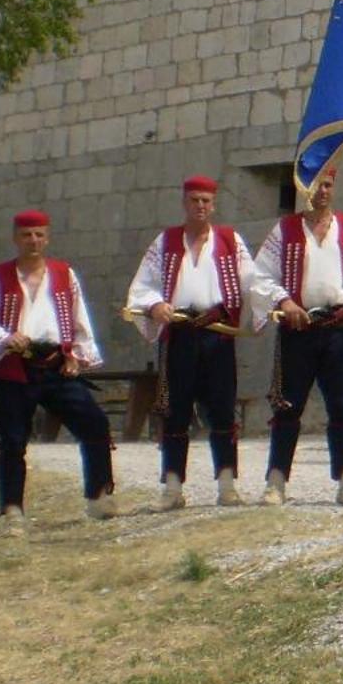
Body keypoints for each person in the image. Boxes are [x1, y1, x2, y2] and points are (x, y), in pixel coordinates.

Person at [126, 176, 278, 510]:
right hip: (178, 334)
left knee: (222, 410)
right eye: (194, 200)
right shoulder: (165, 242)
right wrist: (154, 305)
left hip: (217, 333)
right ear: (184, 201)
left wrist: (269, 308)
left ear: (214, 204)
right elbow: (143, 286)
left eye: (206, 201)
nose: (200, 206)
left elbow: (252, 280)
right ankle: (172, 489)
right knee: (174, 412)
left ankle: (227, 486)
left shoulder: (229, 241)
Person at [0, 209, 118, 531]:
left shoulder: (64, 274)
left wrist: (76, 355)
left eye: (38, 234)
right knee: (12, 441)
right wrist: (7, 337)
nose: (33, 241)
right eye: (26, 235)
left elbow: (79, 318)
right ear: (15, 238)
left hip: (54, 366)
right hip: (14, 368)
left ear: (47, 237)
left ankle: (98, 495)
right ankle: (11, 511)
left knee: (94, 422)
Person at [253, 167, 343, 507]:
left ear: (334, 188)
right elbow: (260, 275)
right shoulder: (285, 230)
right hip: (297, 330)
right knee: (287, 406)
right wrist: (284, 301)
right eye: (315, 186)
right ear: (304, 189)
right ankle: (276, 481)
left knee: (341, 406)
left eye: (327, 185)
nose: (322, 191)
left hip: (337, 329)